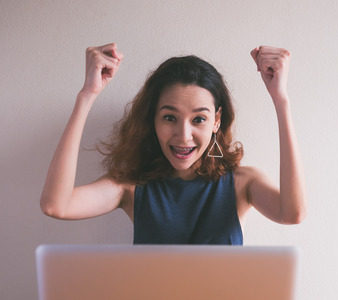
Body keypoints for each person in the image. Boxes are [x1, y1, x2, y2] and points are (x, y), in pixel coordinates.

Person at [40, 43, 306, 245]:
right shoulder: (132, 186)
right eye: (169, 117)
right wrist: (87, 95)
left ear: (216, 121)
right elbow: (56, 205)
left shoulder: (242, 183)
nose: (183, 135)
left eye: (199, 119)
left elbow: (293, 213)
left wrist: (280, 100)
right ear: (152, 119)